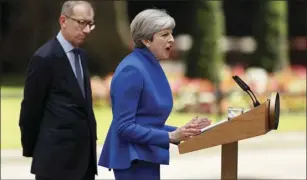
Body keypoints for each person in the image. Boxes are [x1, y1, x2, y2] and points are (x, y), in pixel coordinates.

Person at [98, 9, 212, 180]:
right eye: (164, 35)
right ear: (146, 40)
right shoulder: (132, 69)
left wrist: (183, 131)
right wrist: (170, 136)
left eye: (171, 34)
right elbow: (124, 127)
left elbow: (146, 121)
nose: (172, 39)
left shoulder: (150, 64)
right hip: (132, 160)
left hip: (144, 157)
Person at [19, 1, 97, 180]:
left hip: (84, 161)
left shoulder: (81, 56)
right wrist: (35, 150)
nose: (86, 30)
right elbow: (31, 109)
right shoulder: (44, 58)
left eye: (90, 24)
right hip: (55, 162)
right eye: (82, 23)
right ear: (63, 21)